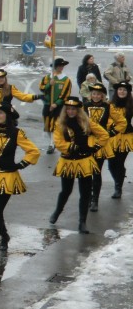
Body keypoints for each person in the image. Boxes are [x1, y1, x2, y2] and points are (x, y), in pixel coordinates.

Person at [0, 102, 40, 259]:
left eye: (1, 113)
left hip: (7, 177)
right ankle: (4, 236)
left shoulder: (16, 133)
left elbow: (33, 151)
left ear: (8, 116)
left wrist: (21, 164)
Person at [49, 97, 109, 234]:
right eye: (68, 109)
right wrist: (71, 147)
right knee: (66, 190)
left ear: (78, 110)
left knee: (85, 192)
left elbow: (104, 135)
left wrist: (95, 147)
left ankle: (82, 222)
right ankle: (57, 211)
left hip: (84, 161)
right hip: (68, 162)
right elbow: (58, 142)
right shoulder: (60, 123)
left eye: (73, 109)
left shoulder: (86, 122)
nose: (71, 111)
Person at [84, 83, 119, 211]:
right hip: (86, 142)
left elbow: (121, 122)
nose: (96, 96)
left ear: (102, 95)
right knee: (87, 172)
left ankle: (95, 200)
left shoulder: (108, 107)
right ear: (91, 95)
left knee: (96, 171)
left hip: (101, 143)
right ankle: (88, 197)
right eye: (94, 93)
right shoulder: (84, 106)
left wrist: (112, 132)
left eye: (99, 94)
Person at [107, 80, 133, 199]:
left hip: (126, 137)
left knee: (119, 162)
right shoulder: (110, 104)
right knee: (111, 164)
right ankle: (118, 179)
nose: (122, 92)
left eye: (124, 90)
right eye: (120, 89)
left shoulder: (131, 104)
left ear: (128, 92)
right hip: (112, 137)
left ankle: (118, 188)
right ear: (116, 91)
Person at [40, 58, 72, 154]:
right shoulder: (47, 78)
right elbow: (42, 88)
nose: (61, 67)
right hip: (47, 104)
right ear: (55, 67)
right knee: (47, 124)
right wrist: (49, 85)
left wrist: (56, 103)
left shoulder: (66, 79)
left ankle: (52, 144)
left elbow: (66, 94)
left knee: (55, 124)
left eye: (62, 66)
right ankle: (52, 141)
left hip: (59, 106)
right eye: (59, 66)